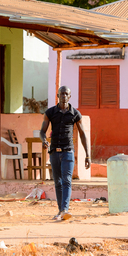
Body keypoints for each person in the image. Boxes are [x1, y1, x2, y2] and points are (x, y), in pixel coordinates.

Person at [40, 86, 91, 221]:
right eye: (61, 94)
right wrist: (44, 140)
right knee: (57, 181)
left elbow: (82, 134)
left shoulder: (75, 114)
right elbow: (42, 131)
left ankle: (65, 210)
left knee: (67, 180)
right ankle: (60, 210)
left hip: (68, 151)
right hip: (54, 152)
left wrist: (88, 155)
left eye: (66, 94)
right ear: (57, 95)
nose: (63, 96)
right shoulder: (50, 112)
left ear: (70, 96)